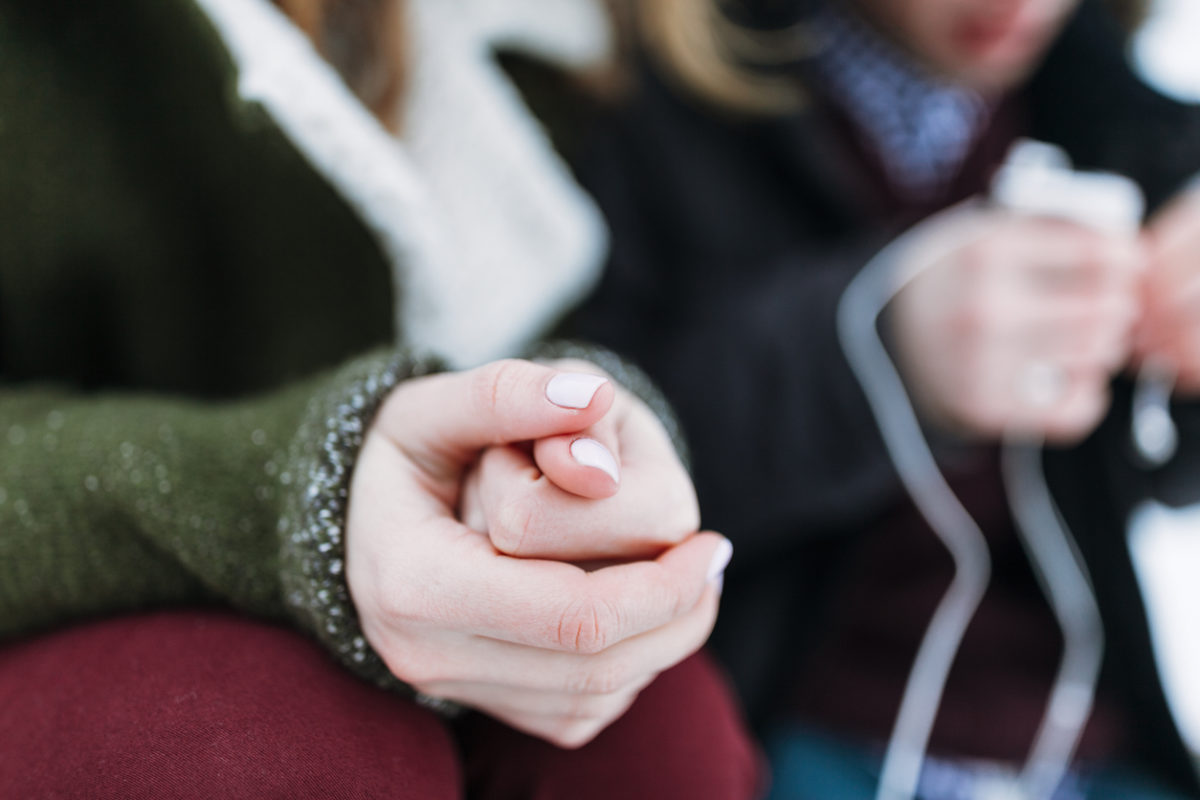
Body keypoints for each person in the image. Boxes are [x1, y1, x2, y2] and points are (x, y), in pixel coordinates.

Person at [0, 1, 762, 797]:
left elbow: (660, 296)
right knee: (257, 751)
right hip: (72, 573)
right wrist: (304, 492)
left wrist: (560, 445)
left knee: (653, 737)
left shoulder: (593, 28)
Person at [570, 0, 1200, 796]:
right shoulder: (645, 110)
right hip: (788, 721)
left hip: (1087, 738)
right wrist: (875, 353)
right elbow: (589, 445)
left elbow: (1164, 472)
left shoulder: (1111, 109)